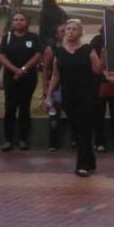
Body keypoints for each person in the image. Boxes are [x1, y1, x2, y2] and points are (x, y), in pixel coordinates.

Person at [43, 19, 104, 176]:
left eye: (74, 29)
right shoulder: (60, 52)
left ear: (80, 32)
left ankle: (81, 165)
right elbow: (56, 75)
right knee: (77, 129)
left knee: (84, 128)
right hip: (69, 96)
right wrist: (49, 95)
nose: (70, 31)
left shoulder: (87, 49)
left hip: (87, 94)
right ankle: (90, 160)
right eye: (68, 29)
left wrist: (103, 56)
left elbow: (97, 70)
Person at [0, 11, 43, 151]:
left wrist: (23, 69)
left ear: (26, 22)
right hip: (11, 77)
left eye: (21, 19)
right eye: (16, 19)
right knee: (10, 108)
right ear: (12, 22)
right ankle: (8, 140)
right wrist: (14, 70)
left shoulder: (33, 37)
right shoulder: (7, 37)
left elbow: (37, 54)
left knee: (24, 108)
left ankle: (23, 139)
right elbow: (1, 55)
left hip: (28, 77)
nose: (18, 22)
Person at [92, 27, 114, 153]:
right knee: (99, 113)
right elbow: (95, 61)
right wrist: (106, 75)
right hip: (100, 80)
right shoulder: (97, 40)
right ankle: (100, 142)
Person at [42, 23, 70, 151]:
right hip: (56, 88)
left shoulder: (75, 48)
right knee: (54, 116)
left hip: (70, 86)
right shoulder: (51, 49)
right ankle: (53, 143)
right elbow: (46, 70)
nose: (66, 33)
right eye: (63, 31)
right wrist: (45, 88)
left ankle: (75, 140)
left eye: (68, 30)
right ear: (56, 35)